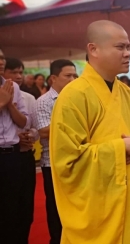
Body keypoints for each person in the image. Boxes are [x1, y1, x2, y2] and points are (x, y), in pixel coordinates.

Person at [50, 20, 130, 244]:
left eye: (128, 47)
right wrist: (120, 149)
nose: (128, 54)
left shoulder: (127, 93)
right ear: (93, 49)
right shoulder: (73, 95)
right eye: (120, 47)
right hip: (100, 206)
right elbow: (67, 161)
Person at [36, 59, 78, 244]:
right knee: (55, 207)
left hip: (77, 159)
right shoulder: (44, 101)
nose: (72, 79)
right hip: (52, 163)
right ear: (53, 78)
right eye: (67, 76)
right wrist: (73, 127)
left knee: (76, 206)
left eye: (74, 75)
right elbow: (44, 131)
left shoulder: (78, 97)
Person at [3, 57, 38, 243]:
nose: (18, 77)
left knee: (23, 208)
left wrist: (30, 136)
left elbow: (32, 126)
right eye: (13, 72)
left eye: (20, 72)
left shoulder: (28, 97)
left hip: (22, 157)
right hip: (9, 151)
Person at [0, 49, 29, 244]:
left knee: (13, 209)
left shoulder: (12, 88)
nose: (1, 61)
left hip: (11, 156)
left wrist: (9, 104)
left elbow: (23, 123)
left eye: (2, 58)